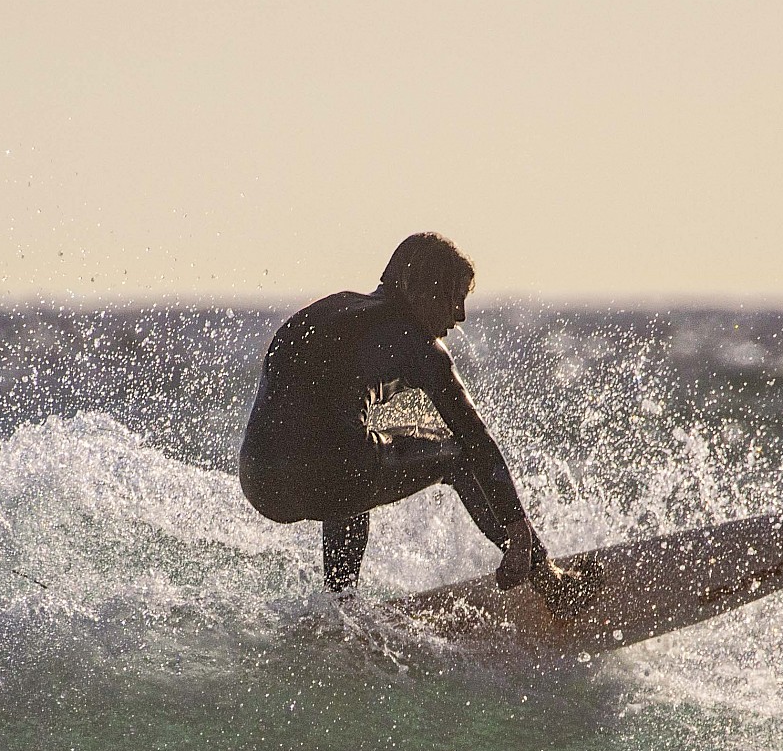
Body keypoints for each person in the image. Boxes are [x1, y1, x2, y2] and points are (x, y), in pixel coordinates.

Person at [240, 233, 579, 604]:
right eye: (455, 298)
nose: (460, 315)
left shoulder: (328, 308)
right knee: (456, 456)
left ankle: (338, 605)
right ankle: (549, 578)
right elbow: (474, 439)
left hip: (261, 481)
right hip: (328, 475)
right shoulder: (417, 343)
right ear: (423, 291)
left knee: (352, 449)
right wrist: (518, 528)